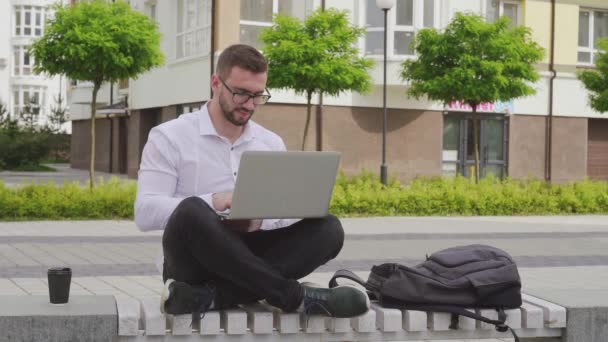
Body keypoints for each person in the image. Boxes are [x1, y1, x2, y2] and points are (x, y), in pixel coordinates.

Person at [134, 44, 369, 319]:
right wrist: (215, 202)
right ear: (215, 83)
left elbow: (282, 219)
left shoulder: (270, 142)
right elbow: (145, 212)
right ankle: (294, 297)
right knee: (192, 210)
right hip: (191, 265)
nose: (249, 104)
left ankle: (211, 298)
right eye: (241, 93)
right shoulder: (169, 137)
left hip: (249, 255)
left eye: (258, 96)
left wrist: (259, 221)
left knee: (329, 228)